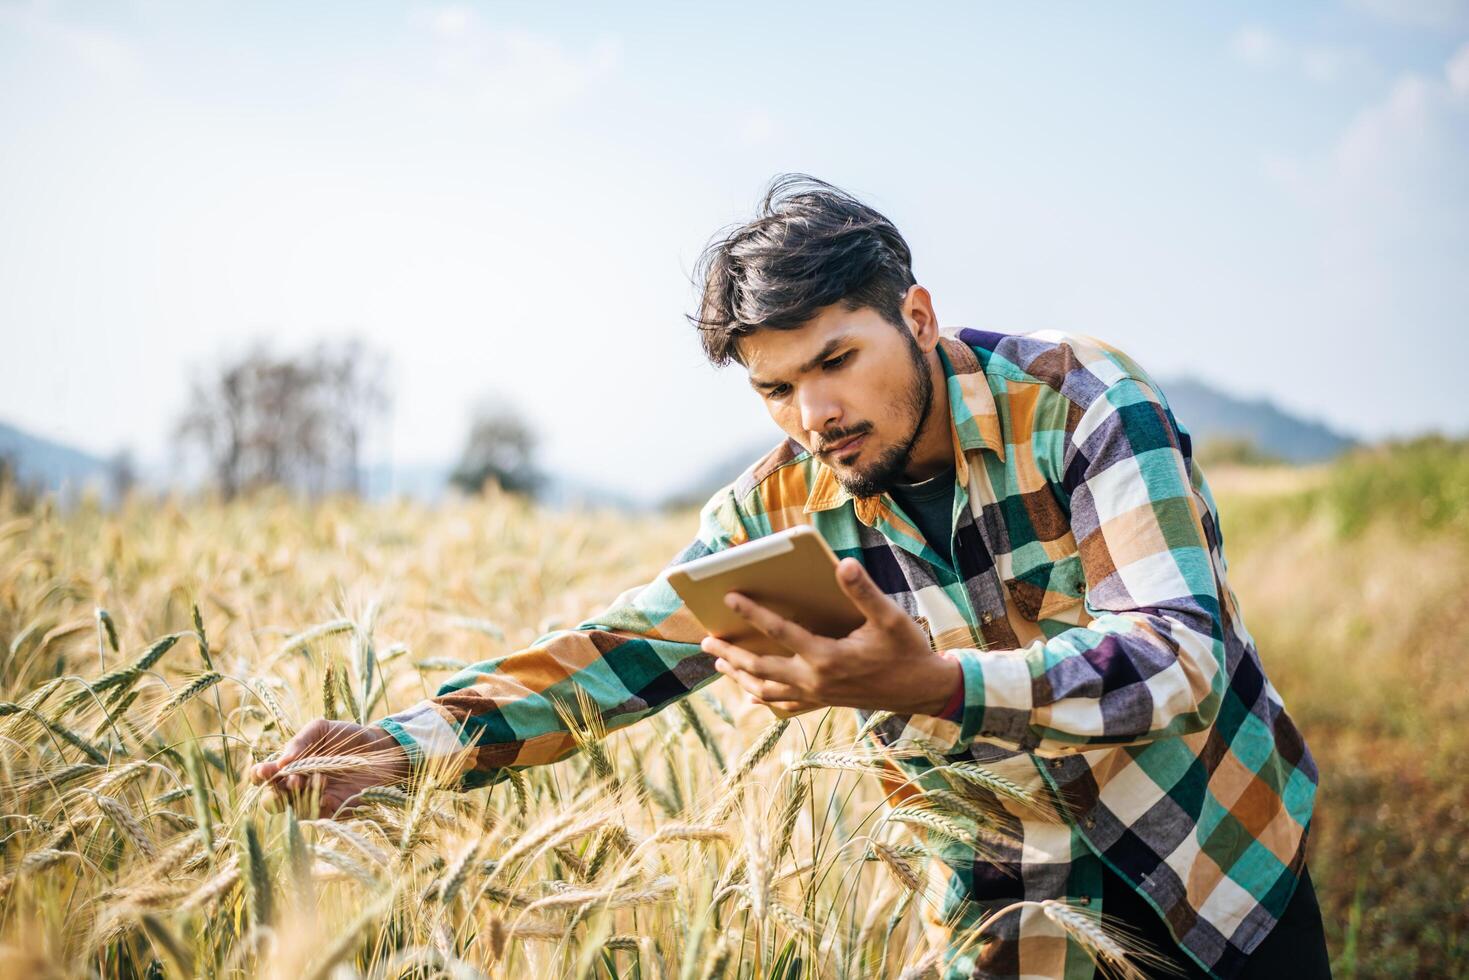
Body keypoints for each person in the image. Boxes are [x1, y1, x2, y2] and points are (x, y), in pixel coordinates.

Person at [249, 174, 1330, 979]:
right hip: (1009, 918)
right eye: (774, 388)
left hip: (1215, 859)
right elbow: (622, 655)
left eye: (833, 360)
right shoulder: (775, 512)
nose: (812, 414)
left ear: (913, 316)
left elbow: (1177, 653)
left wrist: (933, 685)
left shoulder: (1081, 401)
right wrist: (403, 746)